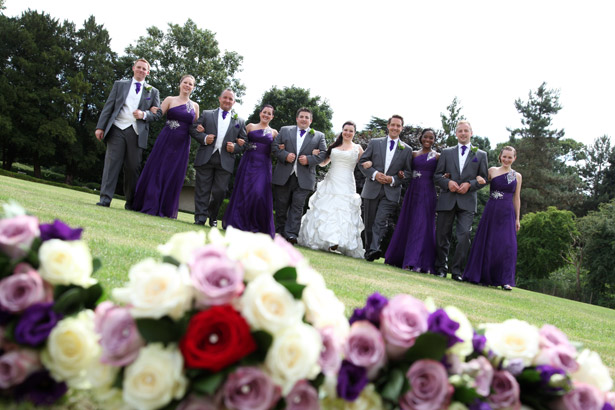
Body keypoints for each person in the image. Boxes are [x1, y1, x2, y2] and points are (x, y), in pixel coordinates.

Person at [95, 58, 161, 209]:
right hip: (117, 128)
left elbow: (157, 114)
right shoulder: (120, 85)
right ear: (133, 68)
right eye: (139, 67)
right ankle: (105, 199)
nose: (141, 70)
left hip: (137, 132)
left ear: (148, 72)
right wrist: (100, 127)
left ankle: (131, 202)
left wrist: (144, 114)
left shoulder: (153, 91)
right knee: (111, 165)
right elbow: (109, 106)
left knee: (132, 168)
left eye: (144, 69)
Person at [131, 75, 199, 218]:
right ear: (180, 84)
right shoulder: (170, 100)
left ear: (193, 87)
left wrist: (203, 133)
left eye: (190, 84)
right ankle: (150, 204)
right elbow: (157, 116)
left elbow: (195, 128)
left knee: (173, 174)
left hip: (182, 145)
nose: (187, 85)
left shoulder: (195, 106)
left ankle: (166, 208)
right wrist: (146, 113)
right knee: (158, 170)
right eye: (185, 83)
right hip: (166, 140)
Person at [298, 121, 365, 258]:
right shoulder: (334, 146)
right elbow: (323, 163)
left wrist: (369, 163)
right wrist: (315, 153)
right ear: (342, 131)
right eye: (345, 130)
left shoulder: (358, 148)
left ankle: (338, 242)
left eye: (350, 131)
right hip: (331, 181)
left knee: (343, 211)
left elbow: (364, 164)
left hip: (347, 182)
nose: (347, 133)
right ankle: (325, 240)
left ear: (354, 133)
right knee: (327, 209)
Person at [433, 120, 488, 281]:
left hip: (468, 201)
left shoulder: (481, 155)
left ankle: (457, 271)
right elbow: (437, 175)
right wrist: (448, 183)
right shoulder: (446, 152)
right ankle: (441, 268)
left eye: (466, 131)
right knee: (442, 235)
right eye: (460, 131)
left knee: (464, 236)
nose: (463, 133)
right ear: (456, 134)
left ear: (471, 133)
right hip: (447, 199)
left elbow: (484, 178)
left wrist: (470, 185)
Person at [463, 146, 522, 290]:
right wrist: (477, 178)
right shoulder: (492, 171)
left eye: (510, 157)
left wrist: (517, 218)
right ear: (500, 157)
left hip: (508, 213)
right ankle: (483, 276)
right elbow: (479, 180)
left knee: (507, 246)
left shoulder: (517, 176)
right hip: (492, 211)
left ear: (514, 158)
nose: (507, 159)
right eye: (504, 156)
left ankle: (505, 280)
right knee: (488, 242)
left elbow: (517, 198)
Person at [359, 115, 413, 262]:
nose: (395, 128)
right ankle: (369, 249)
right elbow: (362, 162)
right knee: (369, 222)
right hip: (372, 188)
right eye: (393, 125)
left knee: (380, 221)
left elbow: (408, 173)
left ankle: (374, 250)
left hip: (391, 192)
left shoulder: (407, 150)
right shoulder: (375, 143)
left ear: (401, 128)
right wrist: (375, 174)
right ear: (388, 126)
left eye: (398, 126)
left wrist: (393, 179)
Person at [384, 128, 439, 272]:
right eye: (425, 137)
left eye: (431, 138)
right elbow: (406, 172)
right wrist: (402, 174)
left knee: (422, 225)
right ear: (421, 138)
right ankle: (400, 257)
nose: (428, 140)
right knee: (408, 223)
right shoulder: (413, 154)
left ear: (434, 140)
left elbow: (441, 173)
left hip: (427, 192)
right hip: (413, 191)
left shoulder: (438, 156)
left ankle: (413, 261)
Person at [191, 89, 246, 227]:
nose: (227, 101)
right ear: (219, 99)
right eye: (225, 98)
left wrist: (235, 147)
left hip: (226, 160)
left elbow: (244, 142)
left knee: (220, 191)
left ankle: (213, 216)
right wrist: (204, 138)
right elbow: (193, 129)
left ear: (234, 102)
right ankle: (200, 218)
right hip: (206, 157)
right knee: (202, 189)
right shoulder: (207, 114)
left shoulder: (239, 120)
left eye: (230, 99)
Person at [272, 108, 327, 244]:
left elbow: (324, 154)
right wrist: (285, 155)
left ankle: (291, 235)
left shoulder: (319, 136)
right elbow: (274, 147)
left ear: (311, 120)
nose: (304, 119)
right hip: (284, 174)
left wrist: (309, 159)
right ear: (297, 118)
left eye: (307, 117)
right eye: (301, 116)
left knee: (297, 207)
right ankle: (280, 232)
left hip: (305, 177)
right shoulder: (285, 130)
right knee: (281, 206)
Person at [222, 105, 278, 237]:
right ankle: (238, 223)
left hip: (263, 166)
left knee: (258, 193)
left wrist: (281, 148)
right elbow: (240, 141)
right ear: (260, 113)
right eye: (264, 112)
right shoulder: (250, 127)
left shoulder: (275, 133)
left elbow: (277, 150)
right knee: (244, 191)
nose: (266, 115)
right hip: (248, 162)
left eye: (269, 113)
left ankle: (255, 225)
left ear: (272, 117)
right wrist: (238, 143)